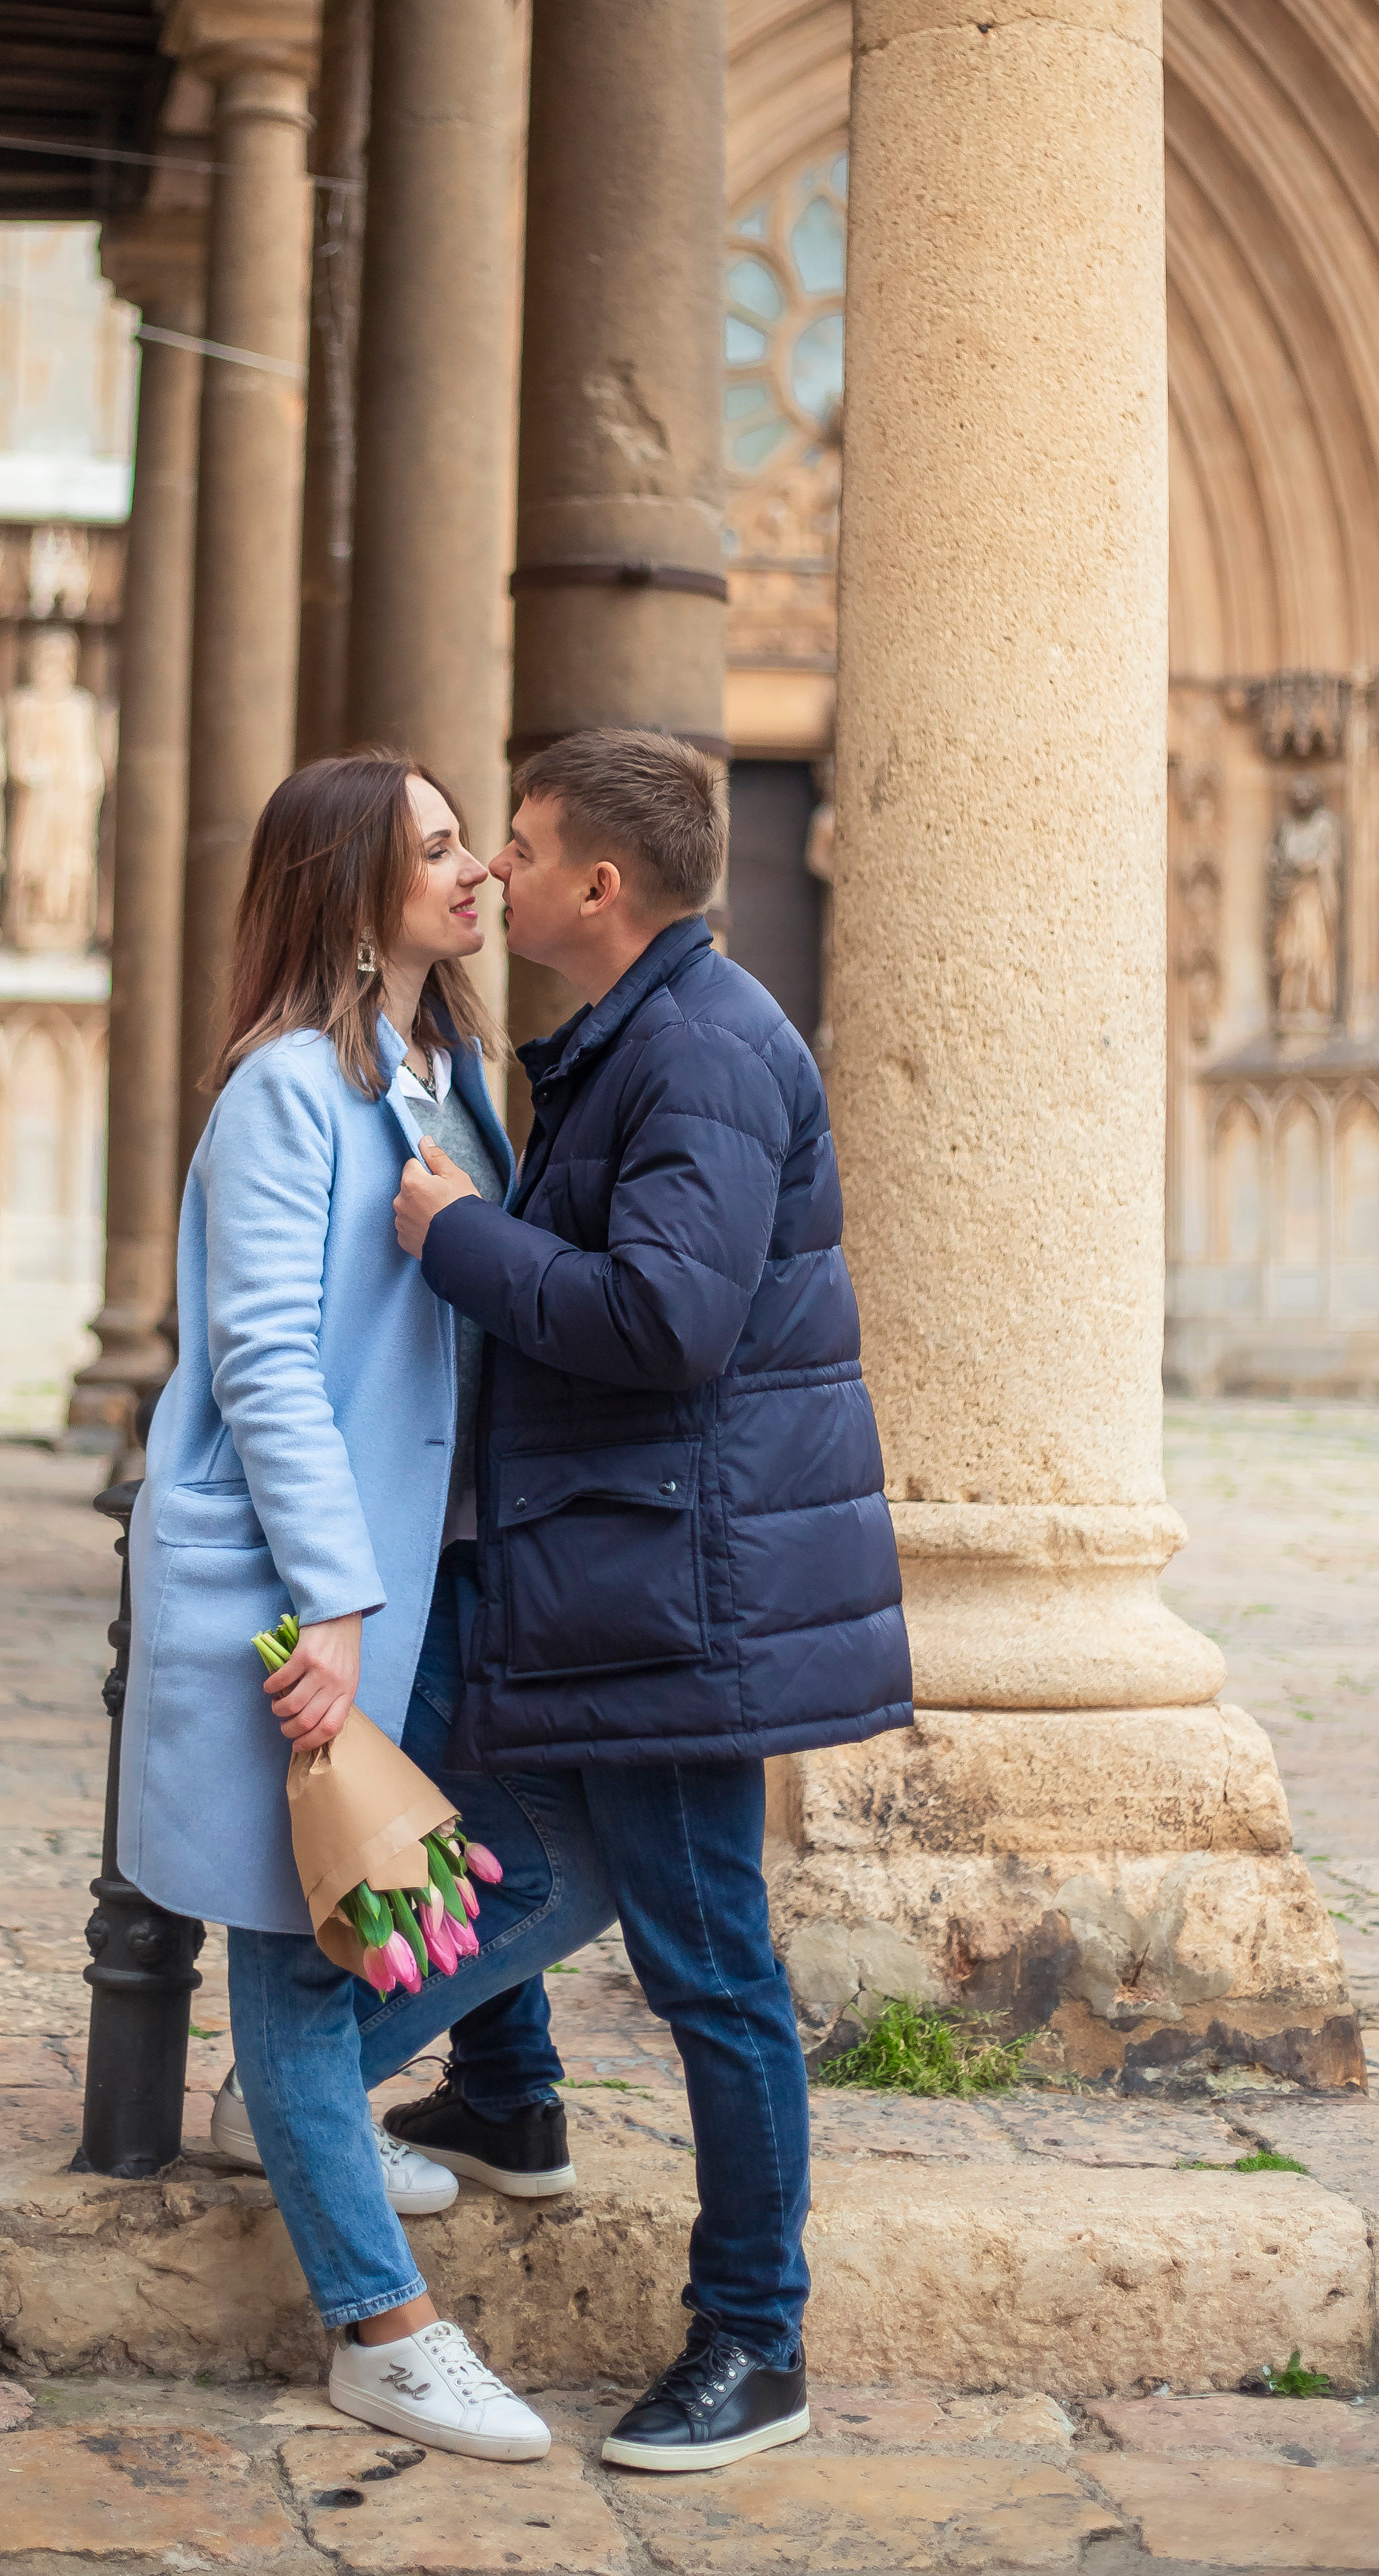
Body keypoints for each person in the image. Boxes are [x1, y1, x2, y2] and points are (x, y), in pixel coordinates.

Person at [387, 728, 912, 2474]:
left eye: (520, 846)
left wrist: (456, 1233)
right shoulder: (643, 1030)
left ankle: (756, 2343)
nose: (497, 874)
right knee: (470, 1786)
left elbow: (666, 1323)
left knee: (713, 1965)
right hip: (627, 1556)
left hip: (694, 1589)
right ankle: (509, 2091)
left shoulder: (699, 1052)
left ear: (598, 887)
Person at [117, 751, 556, 2462]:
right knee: (304, 1956)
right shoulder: (283, 1091)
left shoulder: (447, 1068)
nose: (473, 873)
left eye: (469, 846)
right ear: (349, 897)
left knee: (481, 1874)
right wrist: (337, 1604)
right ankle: (383, 2327)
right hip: (314, 1586)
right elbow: (265, 1362)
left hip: (430, 1567)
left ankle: (311, 2112)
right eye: (435, 850)